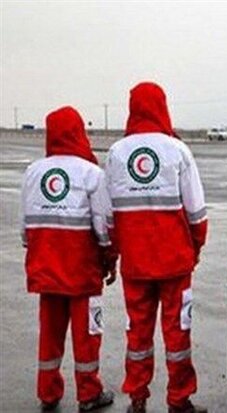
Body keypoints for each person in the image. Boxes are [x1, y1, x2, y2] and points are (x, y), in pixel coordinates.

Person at [105, 82, 208, 413]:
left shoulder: (116, 154)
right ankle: (179, 399)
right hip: (175, 263)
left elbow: (108, 216)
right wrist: (195, 248)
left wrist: (112, 255)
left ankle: (137, 398)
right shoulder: (177, 151)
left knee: (138, 334)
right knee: (178, 334)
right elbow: (197, 211)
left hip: (135, 265)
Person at [20, 106, 116, 412]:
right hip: (82, 270)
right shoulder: (91, 174)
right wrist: (109, 258)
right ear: (78, 132)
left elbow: (25, 228)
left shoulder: (33, 172)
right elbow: (104, 226)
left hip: (46, 268)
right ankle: (88, 393)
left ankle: (48, 392)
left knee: (49, 334)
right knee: (87, 334)